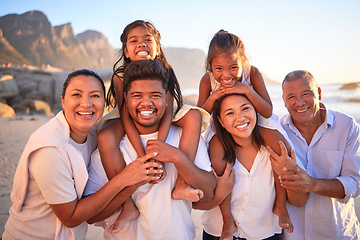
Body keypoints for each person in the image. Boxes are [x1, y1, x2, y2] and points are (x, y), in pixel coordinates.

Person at [2, 69, 162, 240]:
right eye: (77, 95)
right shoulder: (50, 150)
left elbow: (127, 118)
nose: (86, 104)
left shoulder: (94, 132)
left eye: (95, 96)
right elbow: (71, 218)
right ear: (63, 100)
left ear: (104, 101)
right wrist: (125, 179)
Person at [84, 59, 216, 239]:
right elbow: (91, 217)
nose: (146, 103)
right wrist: (131, 181)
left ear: (167, 99)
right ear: (126, 100)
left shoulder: (184, 137)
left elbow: (208, 193)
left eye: (155, 95)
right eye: (137, 95)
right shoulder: (109, 147)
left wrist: (178, 157)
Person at [98, 20, 209, 231]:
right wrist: (144, 158)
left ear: (157, 46)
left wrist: (158, 148)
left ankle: (182, 183)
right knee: (105, 136)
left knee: (194, 116)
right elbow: (125, 115)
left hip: (160, 111)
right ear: (126, 50)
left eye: (148, 40)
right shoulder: (120, 75)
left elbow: (167, 110)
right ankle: (127, 205)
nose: (141, 44)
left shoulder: (165, 70)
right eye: (134, 41)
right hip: (128, 114)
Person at [197, 29, 293, 238]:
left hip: (256, 115)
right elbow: (200, 117)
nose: (226, 74)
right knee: (217, 156)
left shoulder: (253, 73)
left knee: (280, 148)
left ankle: (281, 204)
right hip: (222, 122)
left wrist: (247, 91)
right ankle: (227, 220)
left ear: (243, 62)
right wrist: (214, 97)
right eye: (218, 69)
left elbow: (267, 110)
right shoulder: (207, 80)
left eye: (234, 67)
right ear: (210, 66)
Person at [198, 93, 306, 240]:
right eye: (230, 113)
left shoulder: (271, 146)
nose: (240, 117)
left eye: (245, 108)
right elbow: (198, 200)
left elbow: (299, 193)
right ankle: (227, 221)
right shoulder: (211, 151)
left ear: (256, 111)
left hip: (265, 232)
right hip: (217, 232)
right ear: (221, 121)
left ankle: (281, 207)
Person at [268, 70, 360, 239]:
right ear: (284, 101)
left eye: (306, 94)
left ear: (318, 93)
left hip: (337, 233)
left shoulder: (347, 126)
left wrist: (312, 184)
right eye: (291, 97)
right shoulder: (277, 130)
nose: (300, 102)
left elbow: (355, 183)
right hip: (293, 235)